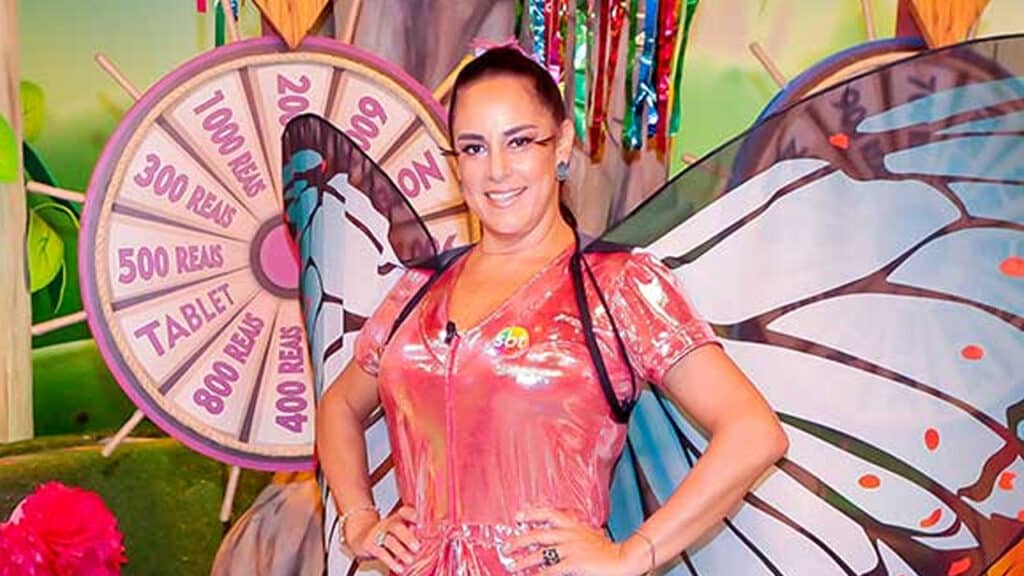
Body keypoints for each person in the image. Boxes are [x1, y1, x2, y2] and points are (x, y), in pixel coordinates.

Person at [316, 46, 788, 575]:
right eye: (473, 148)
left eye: (519, 141)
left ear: (561, 145)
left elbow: (753, 432)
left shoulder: (617, 284)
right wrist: (358, 519)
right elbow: (339, 406)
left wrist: (633, 555)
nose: (497, 170)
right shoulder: (417, 291)